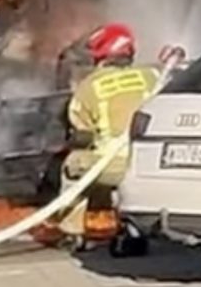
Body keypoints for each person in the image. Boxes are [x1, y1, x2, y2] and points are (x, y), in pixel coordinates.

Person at [56, 22, 159, 242]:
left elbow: (82, 133)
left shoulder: (89, 86)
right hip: (151, 163)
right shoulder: (152, 76)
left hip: (116, 164)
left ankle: (71, 230)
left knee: (74, 165)